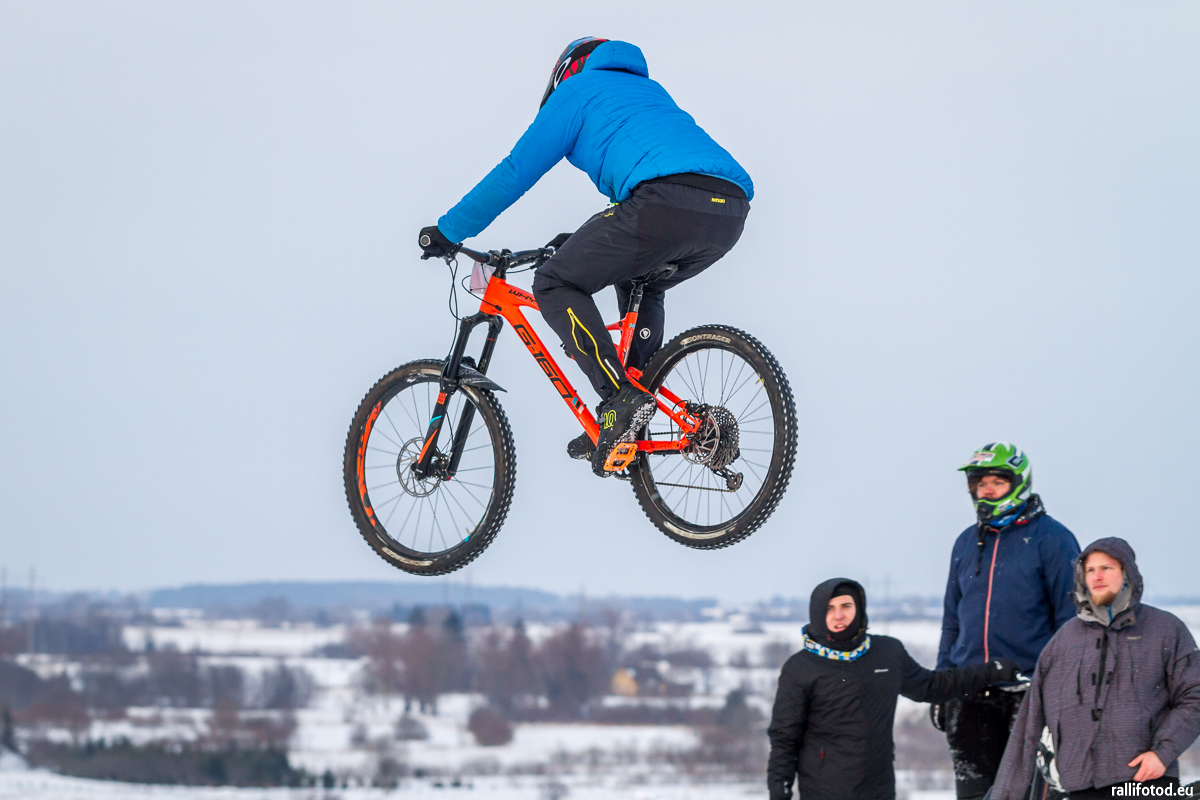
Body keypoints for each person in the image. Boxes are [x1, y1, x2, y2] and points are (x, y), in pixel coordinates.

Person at [417, 38, 753, 477]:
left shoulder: (577, 90)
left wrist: (449, 230)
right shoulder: (650, 92)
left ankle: (618, 399)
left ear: (566, 72)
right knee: (641, 281)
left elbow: (515, 171)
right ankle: (630, 413)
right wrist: (580, 240)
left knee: (554, 282)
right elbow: (649, 183)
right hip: (729, 212)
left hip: (662, 202)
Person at [767, 578, 1021, 800]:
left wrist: (991, 672)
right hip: (824, 791)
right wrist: (779, 792)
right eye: (829, 608)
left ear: (859, 608)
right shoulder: (801, 668)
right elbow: (784, 738)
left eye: (846, 606)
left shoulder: (887, 653)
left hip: (879, 789)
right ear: (816, 613)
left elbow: (933, 686)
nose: (839, 615)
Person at [988, 538, 1200, 799]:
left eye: (1106, 568)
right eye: (1090, 570)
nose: (1097, 576)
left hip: (1146, 782)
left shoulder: (1165, 629)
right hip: (1081, 787)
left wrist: (1161, 753)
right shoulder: (1064, 642)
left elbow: (1195, 696)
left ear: (1127, 574)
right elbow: (1028, 725)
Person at [935, 443, 1081, 799]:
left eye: (996, 482)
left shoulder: (1054, 539)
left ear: (1019, 483)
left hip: (1028, 693)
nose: (986, 490)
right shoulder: (965, 543)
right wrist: (942, 682)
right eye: (979, 483)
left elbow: (1071, 623)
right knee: (973, 793)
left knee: (1024, 794)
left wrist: (1060, 692)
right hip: (969, 692)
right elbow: (952, 619)